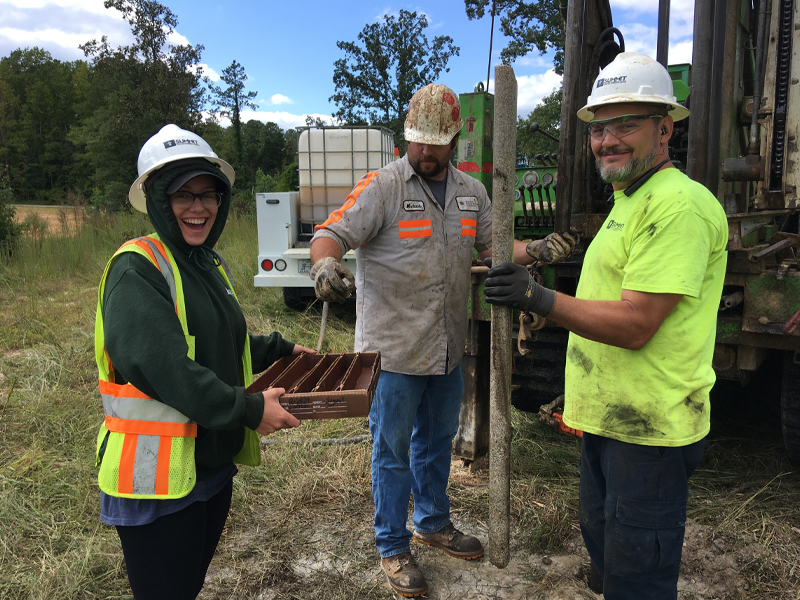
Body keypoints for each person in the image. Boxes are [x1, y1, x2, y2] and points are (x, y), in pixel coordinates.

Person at [308, 83, 575, 597]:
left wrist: (537, 248)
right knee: (391, 451)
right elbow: (332, 231)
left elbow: (499, 246)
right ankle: (392, 545)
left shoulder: (472, 193)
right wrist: (325, 263)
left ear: (455, 139)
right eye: (418, 141)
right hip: (394, 353)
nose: (426, 152)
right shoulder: (382, 187)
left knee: (434, 446)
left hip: (447, 348)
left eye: (437, 142)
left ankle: (431, 524)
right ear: (407, 136)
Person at [483, 52, 729, 599]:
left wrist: (540, 299)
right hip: (612, 419)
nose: (608, 140)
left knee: (637, 570)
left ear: (665, 129)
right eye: (601, 127)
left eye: (627, 125)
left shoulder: (677, 207)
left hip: (651, 428)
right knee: (603, 542)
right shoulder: (630, 199)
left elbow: (638, 323)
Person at [94, 124, 314, 600]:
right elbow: (167, 368)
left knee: (187, 587)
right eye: (182, 195)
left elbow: (216, 343)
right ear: (156, 199)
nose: (199, 208)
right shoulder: (138, 269)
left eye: (209, 194)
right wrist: (251, 409)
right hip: (155, 482)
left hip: (207, 467)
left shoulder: (202, 263)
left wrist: (278, 350)